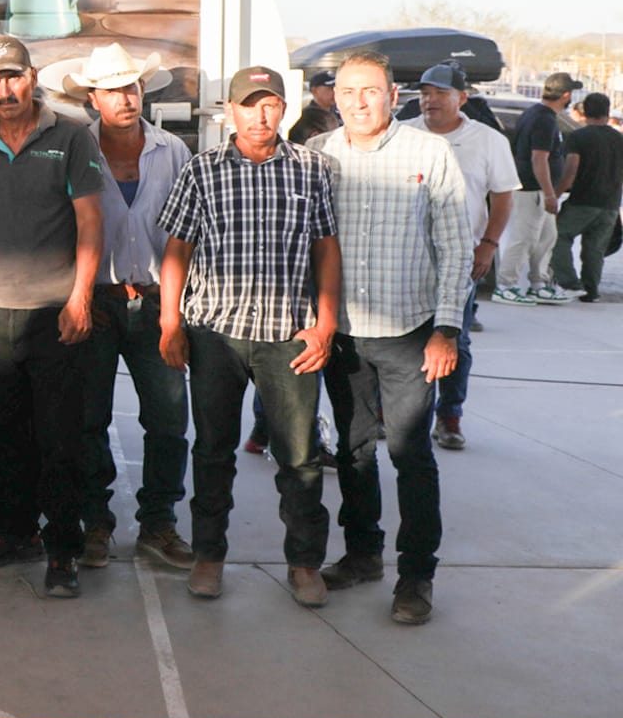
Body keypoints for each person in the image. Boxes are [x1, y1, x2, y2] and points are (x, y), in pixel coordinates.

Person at [158, 64, 341, 608]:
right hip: (216, 333)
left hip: (289, 335)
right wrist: (171, 321)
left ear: (285, 109)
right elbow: (177, 250)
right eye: (249, 104)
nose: (261, 115)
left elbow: (325, 248)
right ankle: (209, 557)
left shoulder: (313, 170)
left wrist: (325, 322)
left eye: (271, 104)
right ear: (230, 111)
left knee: (300, 457)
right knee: (213, 452)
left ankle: (305, 563)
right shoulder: (202, 170)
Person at [310, 51, 470, 625]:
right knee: (352, 453)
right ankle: (361, 554)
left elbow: (455, 247)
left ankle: (416, 575)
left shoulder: (429, 153)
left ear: (392, 95)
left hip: (411, 333)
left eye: (370, 90)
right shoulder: (319, 157)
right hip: (343, 335)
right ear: (334, 95)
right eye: (347, 90)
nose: (358, 101)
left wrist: (446, 329)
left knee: (410, 453)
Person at [0, 35, 103, 599]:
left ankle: (63, 547)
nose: (4, 89)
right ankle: (16, 533)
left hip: (55, 315)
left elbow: (91, 222)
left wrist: (81, 298)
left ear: (32, 75)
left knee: (59, 440)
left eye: (13, 77)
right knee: (1, 437)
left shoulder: (69, 137)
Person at [61, 44, 194, 571]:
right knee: (88, 418)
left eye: (132, 86)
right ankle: (96, 522)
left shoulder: (172, 152)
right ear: (93, 97)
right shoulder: (75, 148)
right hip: (96, 301)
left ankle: (158, 524)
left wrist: (177, 312)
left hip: (158, 301)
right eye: (113, 89)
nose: (125, 97)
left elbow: (187, 235)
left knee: (167, 421)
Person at [401, 62, 517, 450]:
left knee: (455, 340)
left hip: (462, 259)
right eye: (425, 94)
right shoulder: (404, 134)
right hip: (405, 258)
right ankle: (393, 414)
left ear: (462, 98)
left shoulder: (488, 141)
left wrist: (488, 245)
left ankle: (449, 416)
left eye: (439, 94)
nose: (429, 101)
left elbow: (503, 197)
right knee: (401, 340)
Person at [496, 73, 580, 305]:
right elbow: (539, 159)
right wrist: (549, 193)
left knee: (546, 238)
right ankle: (506, 285)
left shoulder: (534, 114)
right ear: (565, 95)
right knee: (523, 238)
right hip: (533, 190)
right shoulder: (544, 119)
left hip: (539, 191)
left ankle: (539, 283)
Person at [554, 92, 622, 302]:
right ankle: (591, 290)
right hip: (610, 203)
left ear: (584, 111)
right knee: (595, 249)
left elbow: (571, 169)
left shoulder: (578, 137)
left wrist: (554, 194)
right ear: (607, 111)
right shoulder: (619, 138)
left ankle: (570, 283)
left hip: (583, 200)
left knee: (558, 236)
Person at [288, 69, 339, 144]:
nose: (334, 92)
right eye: (330, 88)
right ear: (314, 90)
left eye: (336, 88)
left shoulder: (341, 113)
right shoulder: (305, 118)